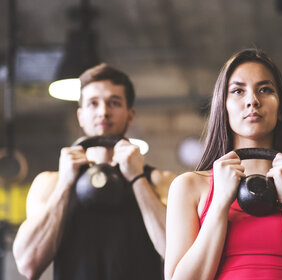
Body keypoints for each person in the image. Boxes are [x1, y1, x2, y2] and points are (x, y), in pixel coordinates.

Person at [164, 48, 282, 280]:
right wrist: (220, 202)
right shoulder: (189, 186)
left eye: (264, 90)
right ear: (223, 107)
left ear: (280, 109)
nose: (252, 100)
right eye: (237, 91)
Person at [13, 63, 176, 280]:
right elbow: (28, 264)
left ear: (130, 115)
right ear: (80, 116)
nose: (103, 112)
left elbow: (177, 256)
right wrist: (65, 184)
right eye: (93, 103)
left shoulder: (159, 181)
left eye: (114, 103)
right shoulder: (50, 183)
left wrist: (137, 178)